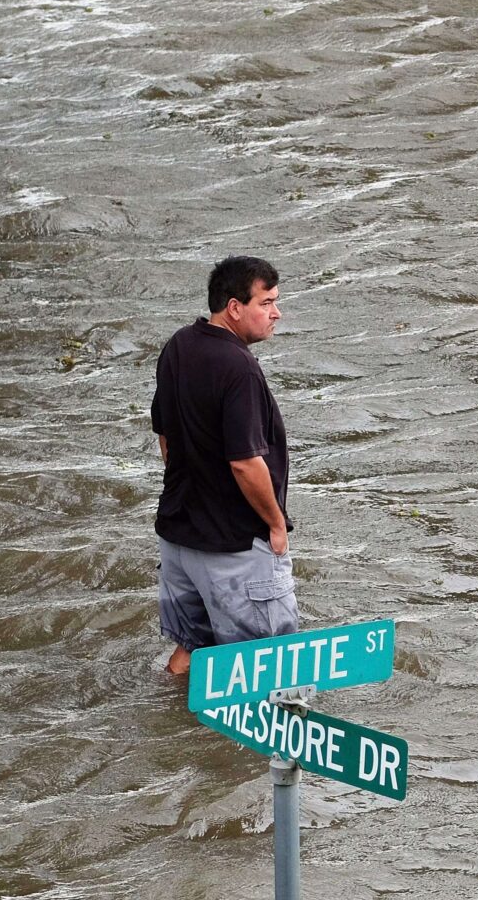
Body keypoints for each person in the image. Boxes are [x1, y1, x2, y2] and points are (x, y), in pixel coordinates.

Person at [153, 256, 297, 676]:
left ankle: (167, 714)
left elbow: (165, 436)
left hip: (180, 538)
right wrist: (275, 525)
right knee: (269, 667)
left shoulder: (179, 345)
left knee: (192, 650)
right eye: (266, 303)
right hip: (233, 546)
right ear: (234, 307)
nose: (276, 313)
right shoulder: (239, 368)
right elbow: (245, 463)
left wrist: (195, 486)